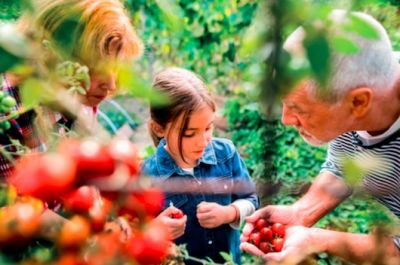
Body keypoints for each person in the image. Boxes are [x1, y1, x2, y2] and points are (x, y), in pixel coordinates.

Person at [240, 10, 400, 265]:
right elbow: (341, 166)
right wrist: (299, 213)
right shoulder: (354, 88)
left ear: (359, 102)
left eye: (298, 109)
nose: (286, 120)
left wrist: (318, 240)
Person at [0, 0, 143, 178]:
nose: (111, 85)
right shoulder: (8, 113)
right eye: (96, 68)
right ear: (49, 53)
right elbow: (18, 203)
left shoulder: (80, 98)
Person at [142, 67, 259, 265]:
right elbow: (134, 238)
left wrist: (229, 213)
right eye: (189, 133)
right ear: (159, 128)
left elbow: (252, 200)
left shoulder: (226, 154)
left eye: (208, 128)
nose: (203, 141)